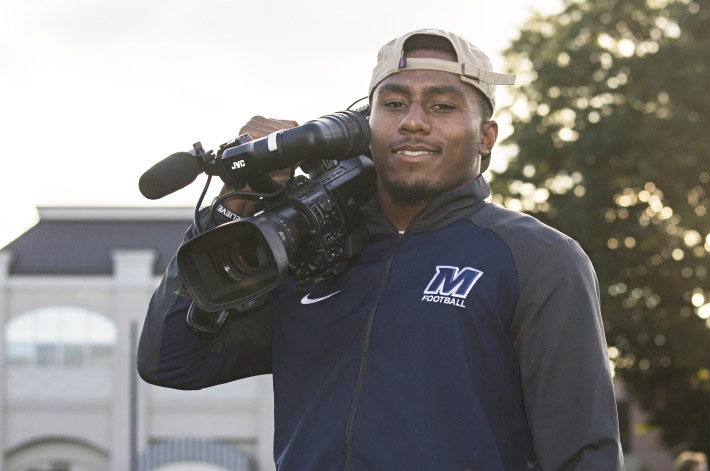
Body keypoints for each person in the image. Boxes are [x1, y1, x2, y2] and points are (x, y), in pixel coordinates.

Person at [138, 28, 622, 470]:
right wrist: (233, 204)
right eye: (393, 104)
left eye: (442, 106)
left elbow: (582, 454)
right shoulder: (309, 255)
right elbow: (172, 362)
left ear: (486, 138)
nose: (413, 122)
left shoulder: (536, 257)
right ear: (365, 124)